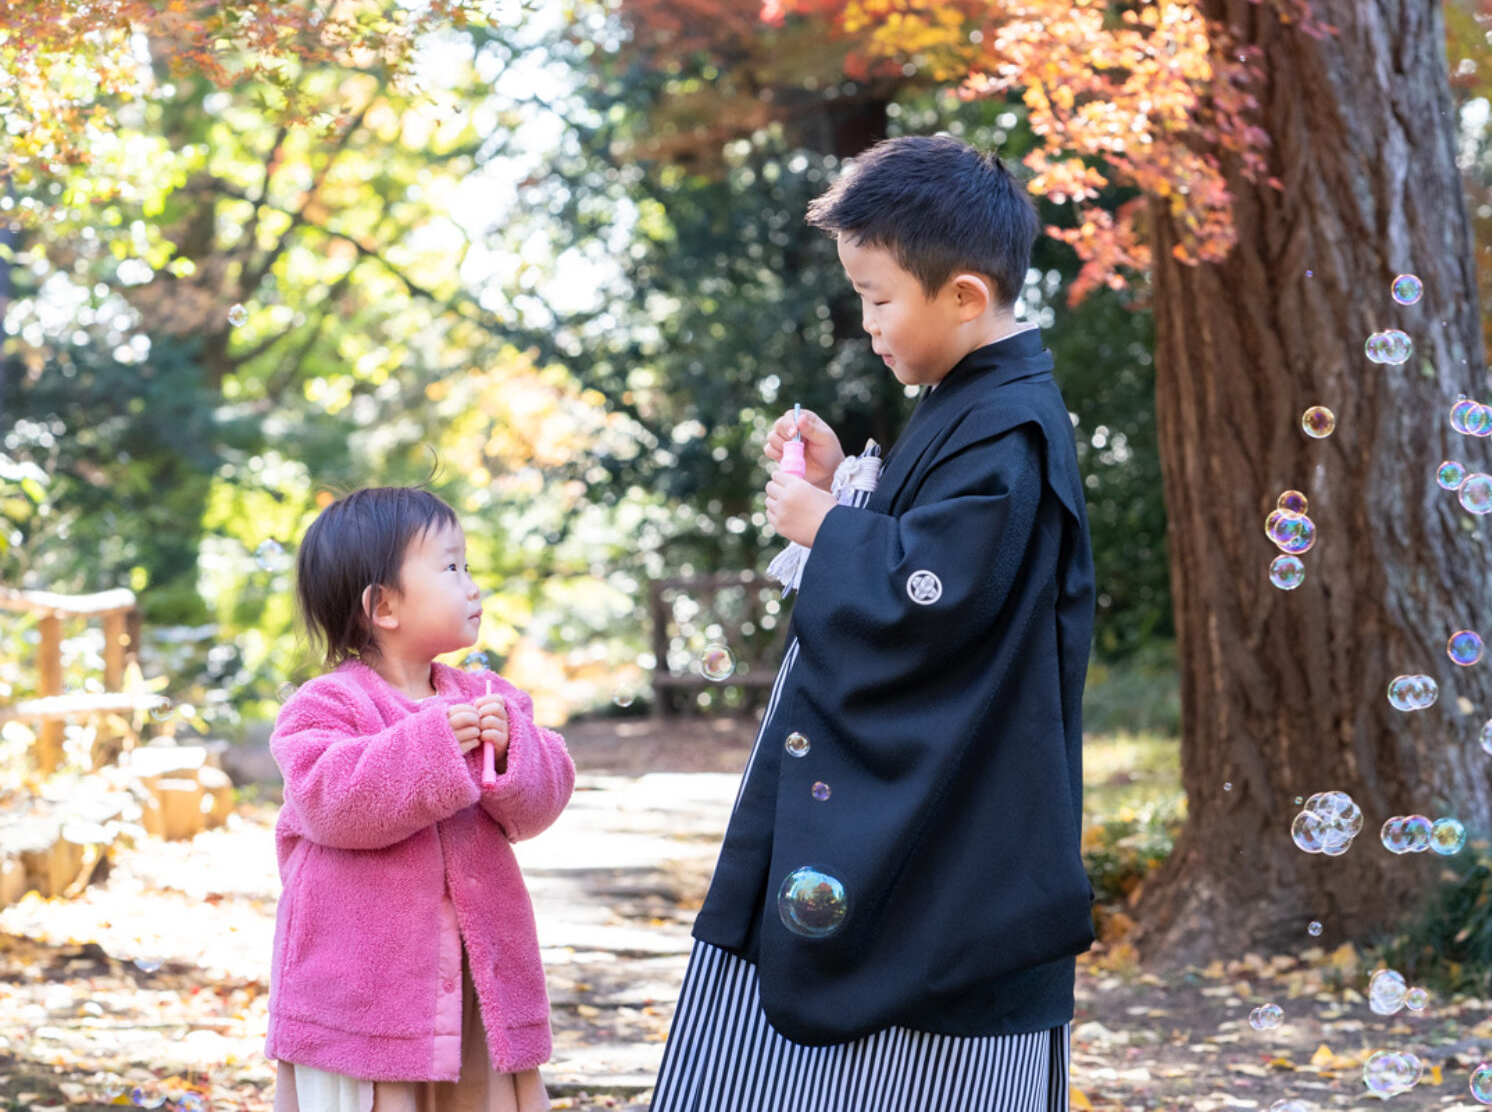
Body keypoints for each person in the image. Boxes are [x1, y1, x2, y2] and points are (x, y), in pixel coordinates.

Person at [651, 135, 1096, 1111]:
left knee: (892, 1062)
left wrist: (833, 528)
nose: (867, 323)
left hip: (951, 838)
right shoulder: (972, 402)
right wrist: (842, 486)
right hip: (917, 819)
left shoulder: (1012, 428)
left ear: (967, 296)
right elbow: (926, 549)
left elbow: (937, 598)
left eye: (880, 296)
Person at [265, 486, 575, 1112]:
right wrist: (432, 746)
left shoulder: (489, 696)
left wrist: (515, 750)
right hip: (363, 995)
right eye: (452, 566)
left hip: (474, 981)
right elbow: (331, 802)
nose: (473, 585)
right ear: (382, 605)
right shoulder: (326, 705)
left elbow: (540, 803)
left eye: (469, 566)